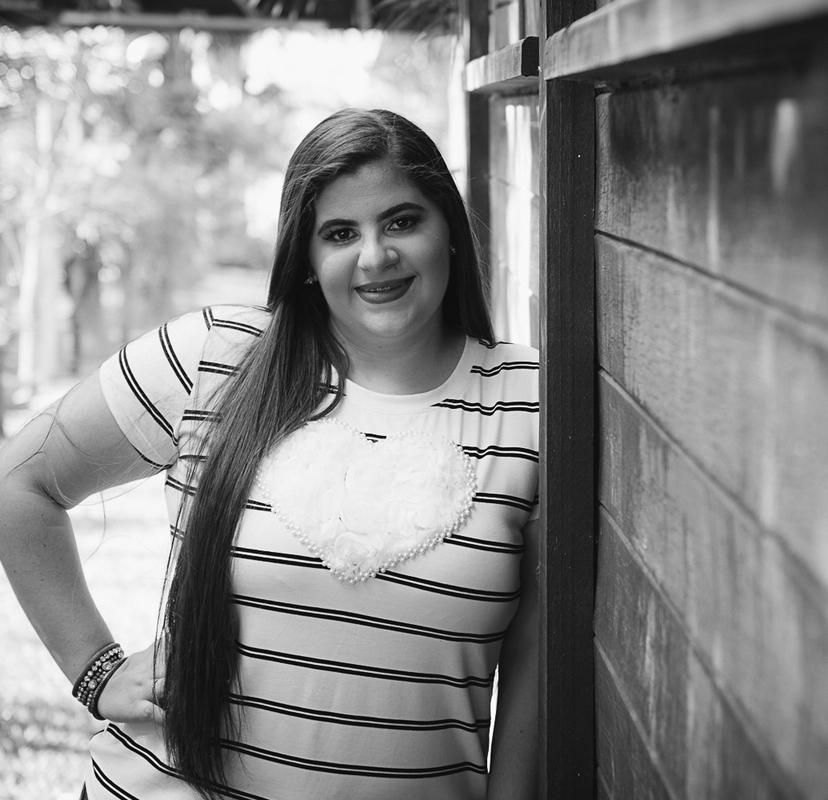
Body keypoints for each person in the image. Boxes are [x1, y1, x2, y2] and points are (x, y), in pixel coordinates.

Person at [0, 108, 539, 800]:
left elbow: (535, 662)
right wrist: (95, 669)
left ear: (451, 231)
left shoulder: (529, 400)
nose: (375, 256)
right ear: (305, 258)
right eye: (339, 233)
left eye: (403, 221)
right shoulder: (216, 356)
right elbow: (20, 483)